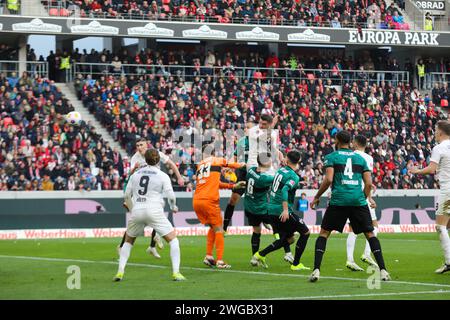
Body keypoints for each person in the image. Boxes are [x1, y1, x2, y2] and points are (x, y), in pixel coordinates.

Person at [309, 131, 390, 282]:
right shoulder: (360, 159)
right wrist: (363, 198)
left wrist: (317, 197)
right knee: (370, 234)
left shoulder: (332, 157)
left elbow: (328, 179)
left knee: (324, 233)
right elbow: (368, 184)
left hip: (339, 200)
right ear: (350, 141)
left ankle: (316, 270)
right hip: (358, 201)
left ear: (337, 140)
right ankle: (384, 271)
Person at [113, 149, 185, 281]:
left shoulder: (135, 175)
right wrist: (173, 206)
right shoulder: (162, 175)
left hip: (138, 210)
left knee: (128, 242)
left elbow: (127, 195)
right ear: (158, 160)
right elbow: (171, 196)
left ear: (145, 160)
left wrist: (132, 208)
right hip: (154, 210)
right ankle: (176, 273)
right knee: (174, 241)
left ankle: (120, 271)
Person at [253, 150, 311, 271]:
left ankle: (260, 254)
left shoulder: (281, 170)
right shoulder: (293, 176)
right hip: (282, 211)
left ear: (287, 159)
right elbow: (285, 189)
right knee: (305, 233)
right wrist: (285, 210)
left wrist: (298, 184)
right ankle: (296, 264)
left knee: (288, 239)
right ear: (299, 161)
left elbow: (282, 184)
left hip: (271, 209)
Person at [193, 144, 246, 269]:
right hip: (209, 201)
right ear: (213, 153)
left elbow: (216, 183)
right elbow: (232, 164)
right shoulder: (216, 160)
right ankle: (220, 261)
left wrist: (233, 186)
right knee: (219, 230)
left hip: (197, 200)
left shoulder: (200, 165)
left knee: (213, 227)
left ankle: (209, 256)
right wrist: (244, 165)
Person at [410, 121, 450, 274]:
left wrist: (416, 171)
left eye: (435, 130)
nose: (434, 133)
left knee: (440, 226)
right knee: (447, 226)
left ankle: (448, 262)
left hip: (447, 190)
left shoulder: (439, 148)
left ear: (440, 132)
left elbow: (432, 169)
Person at [346, 135, 379, 271]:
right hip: (361, 195)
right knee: (374, 225)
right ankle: (366, 254)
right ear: (365, 144)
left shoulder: (347, 155)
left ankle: (350, 259)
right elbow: (367, 180)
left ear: (355, 143)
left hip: (348, 193)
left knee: (353, 228)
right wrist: (369, 196)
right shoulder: (368, 158)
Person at [245, 153, 275, 266]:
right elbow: (278, 179)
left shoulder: (251, 170)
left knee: (256, 231)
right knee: (278, 228)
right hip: (260, 208)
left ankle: (254, 257)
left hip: (249, 206)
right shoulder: (264, 178)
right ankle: (288, 252)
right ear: (266, 162)